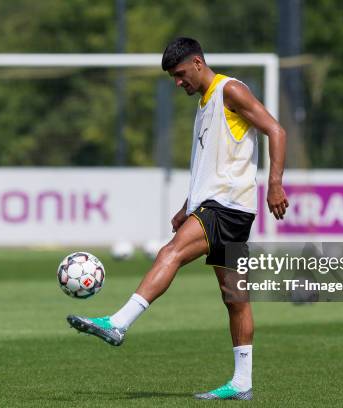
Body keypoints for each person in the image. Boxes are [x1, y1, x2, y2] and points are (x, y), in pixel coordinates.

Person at [67, 37, 288, 400]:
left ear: (198, 63)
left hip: (227, 206)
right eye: (173, 77)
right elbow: (212, 165)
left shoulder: (229, 90)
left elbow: (276, 130)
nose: (178, 82)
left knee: (170, 252)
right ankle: (243, 382)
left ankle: (119, 323)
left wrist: (275, 184)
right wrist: (188, 206)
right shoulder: (205, 105)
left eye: (181, 74)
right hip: (220, 206)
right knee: (235, 298)